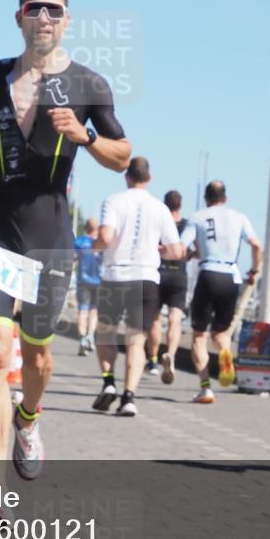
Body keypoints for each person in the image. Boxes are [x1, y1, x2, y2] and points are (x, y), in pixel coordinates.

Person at [0, 0, 130, 517]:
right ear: (20, 17)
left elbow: (124, 156)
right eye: (35, 8)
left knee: (38, 357)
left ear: (66, 19)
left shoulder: (88, 85)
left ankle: (29, 418)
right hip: (0, 234)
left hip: (51, 242)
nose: (44, 18)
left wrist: (86, 137)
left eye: (54, 10)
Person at [90, 157, 183, 416]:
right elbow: (176, 251)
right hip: (145, 279)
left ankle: (109, 382)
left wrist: (94, 248)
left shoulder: (113, 201)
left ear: (127, 176)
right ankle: (129, 397)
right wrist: (155, 250)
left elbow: (105, 237)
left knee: (105, 334)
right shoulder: (161, 208)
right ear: (149, 178)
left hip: (115, 276)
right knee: (136, 341)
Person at [180, 181, 262, 403]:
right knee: (221, 334)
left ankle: (206, 388)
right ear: (225, 198)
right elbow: (256, 245)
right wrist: (254, 271)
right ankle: (225, 353)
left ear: (206, 198)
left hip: (208, 274)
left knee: (199, 336)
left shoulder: (198, 216)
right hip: (231, 276)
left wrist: (190, 254)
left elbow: (181, 246)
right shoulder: (239, 217)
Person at [146, 190, 188, 384]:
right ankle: (170, 354)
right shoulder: (187, 226)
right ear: (180, 206)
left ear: (165, 204)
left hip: (159, 273)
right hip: (179, 275)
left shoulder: (159, 222)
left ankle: (153, 361)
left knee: (154, 320)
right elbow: (189, 251)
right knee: (175, 320)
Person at [73, 217, 102, 356]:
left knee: (82, 311)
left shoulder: (79, 241)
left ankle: (83, 339)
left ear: (85, 227)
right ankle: (90, 335)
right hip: (99, 281)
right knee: (94, 310)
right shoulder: (101, 243)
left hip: (82, 281)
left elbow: (73, 258)